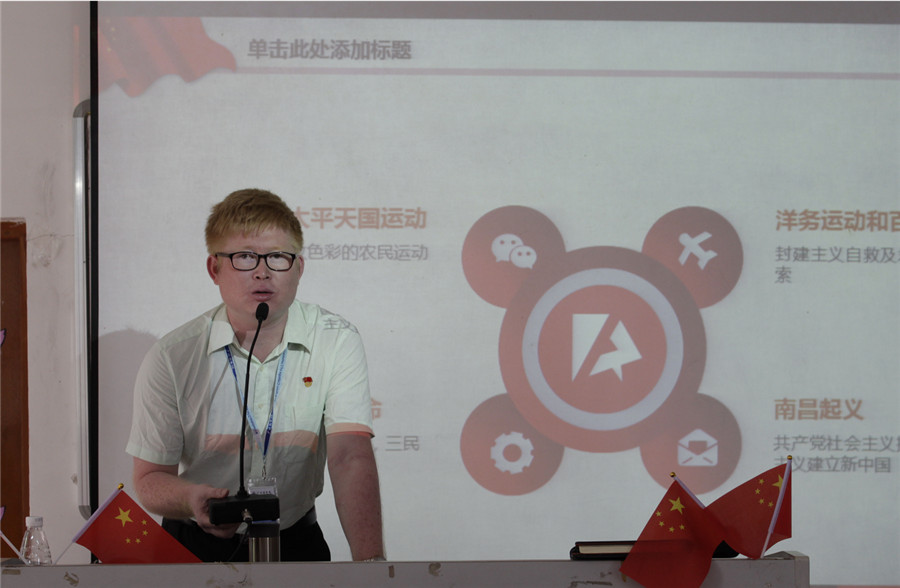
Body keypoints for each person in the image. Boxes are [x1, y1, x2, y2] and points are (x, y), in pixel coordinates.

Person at [126, 188, 384, 562]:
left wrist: (372, 566)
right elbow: (149, 478)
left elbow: (349, 456)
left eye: (277, 257)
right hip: (195, 546)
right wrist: (190, 498)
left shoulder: (335, 339)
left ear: (299, 268)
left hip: (295, 542)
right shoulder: (173, 355)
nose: (262, 272)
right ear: (214, 269)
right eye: (245, 257)